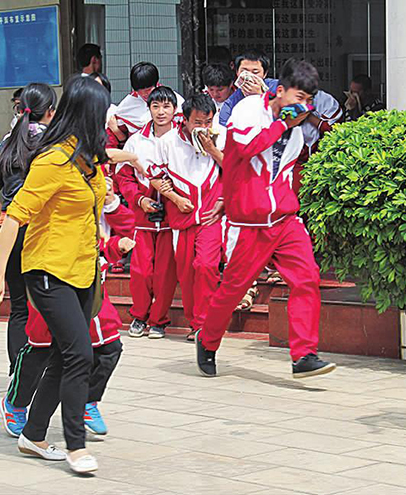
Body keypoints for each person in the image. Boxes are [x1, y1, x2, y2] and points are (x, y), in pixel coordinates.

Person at [0, 75, 110, 474]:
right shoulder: (53, 160)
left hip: (83, 269)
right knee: (80, 354)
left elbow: (107, 169)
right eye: (102, 114)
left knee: (63, 355)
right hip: (48, 270)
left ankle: (33, 435)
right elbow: (13, 216)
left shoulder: (88, 159)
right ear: (88, 115)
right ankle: (76, 446)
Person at [195, 60, 336, 379]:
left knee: (307, 278)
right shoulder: (248, 109)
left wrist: (292, 122)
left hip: (285, 219)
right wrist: (283, 123)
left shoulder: (297, 127)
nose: (303, 106)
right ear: (280, 91)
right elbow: (245, 148)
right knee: (233, 290)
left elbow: (286, 171)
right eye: (298, 97)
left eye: (308, 100)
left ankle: (304, 355)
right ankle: (208, 339)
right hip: (249, 223)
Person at [2, 232, 132, 439]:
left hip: (93, 305)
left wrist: (118, 245)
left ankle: (87, 401)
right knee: (39, 356)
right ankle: (15, 403)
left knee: (110, 349)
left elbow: (103, 248)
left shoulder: (88, 224)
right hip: (53, 299)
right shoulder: (47, 228)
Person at [0, 83, 57, 376]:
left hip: (14, 233)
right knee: (52, 303)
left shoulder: (5, 146)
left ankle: (19, 373)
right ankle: (49, 370)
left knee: (19, 308)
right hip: (45, 234)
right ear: (51, 111)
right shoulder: (55, 145)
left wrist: (6, 217)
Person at [150, 94, 224, 342]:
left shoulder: (220, 136)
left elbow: (235, 168)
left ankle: (205, 324)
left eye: (208, 122)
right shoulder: (168, 142)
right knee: (186, 273)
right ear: (185, 120)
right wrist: (175, 199)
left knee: (206, 265)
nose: (203, 127)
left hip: (211, 216)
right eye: (197, 122)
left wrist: (212, 149)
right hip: (182, 218)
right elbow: (155, 177)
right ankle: (196, 323)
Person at [113, 86, 179, 339]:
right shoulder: (135, 141)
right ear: (148, 108)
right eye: (156, 106)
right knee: (140, 272)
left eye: (166, 106)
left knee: (165, 273)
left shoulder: (182, 139)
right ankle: (139, 316)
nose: (161, 112)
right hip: (142, 218)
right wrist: (139, 199)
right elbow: (124, 176)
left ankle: (159, 320)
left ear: (175, 109)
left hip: (172, 218)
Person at [109, 62, 184, 148]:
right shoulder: (126, 107)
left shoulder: (175, 100)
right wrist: (117, 132)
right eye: (139, 90)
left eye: (148, 90)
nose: (144, 94)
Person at [217, 49, 276, 127]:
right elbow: (225, 128)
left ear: (265, 74)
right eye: (244, 72)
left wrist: (260, 96)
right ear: (237, 72)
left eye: (255, 72)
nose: (249, 77)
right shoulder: (230, 104)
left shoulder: (278, 88)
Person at [202, 63, 235, 128]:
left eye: (220, 90)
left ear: (231, 84)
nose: (215, 94)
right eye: (211, 89)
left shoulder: (240, 101)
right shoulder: (203, 100)